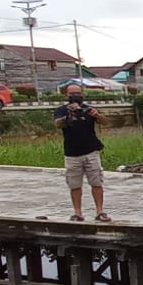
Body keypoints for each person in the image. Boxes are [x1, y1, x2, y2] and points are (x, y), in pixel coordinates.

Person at [54, 83, 109, 222]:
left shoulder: (88, 109)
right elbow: (57, 124)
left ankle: (100, 212)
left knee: (96, 182)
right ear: (67, 95)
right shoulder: (61, 110)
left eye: (78, 93)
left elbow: (105, 122)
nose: (75, 96)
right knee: (75, 185)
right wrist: (69, 115)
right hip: (72, 154)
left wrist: (97, 114)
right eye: (72, 93)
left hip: (91, 152)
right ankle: (78, 213)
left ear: (82, 94)